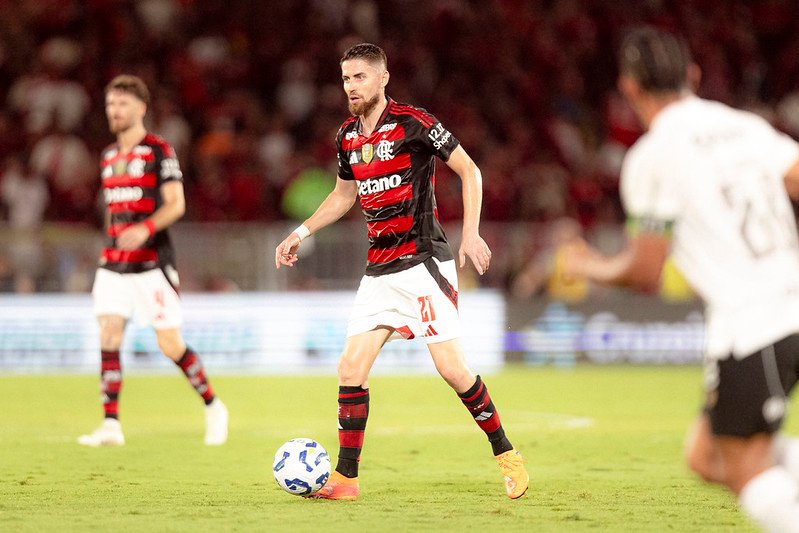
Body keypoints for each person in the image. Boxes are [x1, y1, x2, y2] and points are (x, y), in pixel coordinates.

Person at [563, 26, 799, 531]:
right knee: (703, 455)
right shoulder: (744, 126)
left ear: (629, 87)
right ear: (692, 74)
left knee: (741, 467)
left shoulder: (651, 158)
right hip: (785, 300)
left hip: (754, 321)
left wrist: (590, 266)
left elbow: (645, 269)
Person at [275, 43, 529, 500]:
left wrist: (470, 234)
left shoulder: (414, 123)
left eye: (360, 77)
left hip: (423, 263)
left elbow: (469, 170)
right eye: (346, 78)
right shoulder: (346, 137)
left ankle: (506, 453)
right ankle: (346, 479)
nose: (351, 86)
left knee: (451, 369)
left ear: (382, 78)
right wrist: (300, 232)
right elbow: (342, 197)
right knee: (350, 367)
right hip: (378, 271)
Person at [78, 75, 228, 447]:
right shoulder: (109, 156)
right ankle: (111, 423)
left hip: (152, 264)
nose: (115, 110)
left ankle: (213, 406)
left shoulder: (159, 150)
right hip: (113, 263)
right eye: (111, 104)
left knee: (169, 344)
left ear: (141, 108)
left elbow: (176, 204)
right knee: (109, 334)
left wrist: (145, 228)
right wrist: (109, 242)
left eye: (122, 104)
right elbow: (113, 212)